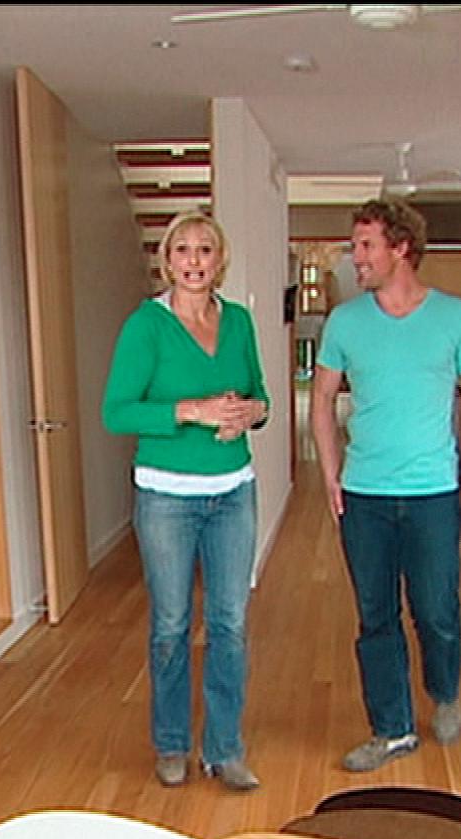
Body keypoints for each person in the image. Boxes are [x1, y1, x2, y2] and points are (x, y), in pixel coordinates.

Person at [311, 198, 461, 772]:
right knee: (376, 616)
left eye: (366, 246)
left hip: (432, 494)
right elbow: (321, 400)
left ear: (401, 248)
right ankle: (392, 729)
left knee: (436, 609)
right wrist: (330, 474)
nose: (355, 257)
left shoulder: (453, 317)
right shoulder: (345, 322)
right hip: (364, 495)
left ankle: (445, 693)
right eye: (355, 246)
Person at [103, 210, 269, 791]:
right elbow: (116, 412)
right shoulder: (146, 326)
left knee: (230, 623)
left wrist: (250, 414)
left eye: (205, 249)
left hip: (234, 492)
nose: (194, 260)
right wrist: (192, 411)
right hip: (167, 498)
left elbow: (261, 397)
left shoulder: (239, 321)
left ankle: (225, 749)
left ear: (219, 260)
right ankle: (172, 744)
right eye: (183, 250)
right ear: (167, 261)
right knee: (171, 624)